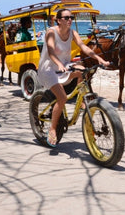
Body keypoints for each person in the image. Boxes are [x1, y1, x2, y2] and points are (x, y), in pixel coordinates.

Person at [37, 8, 109, 147]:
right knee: (62, 98)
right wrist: (58, 64)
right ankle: (52, 129)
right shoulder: (51, 33)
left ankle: (81, 100)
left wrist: (100, 59)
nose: (70, 20)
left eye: (71, 17)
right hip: (48, 69)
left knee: (83, 70)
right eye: (66, 18)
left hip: (64, 66)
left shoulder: (72, 32)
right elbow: (51, 51)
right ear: (58, 20)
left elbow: (84, 47)